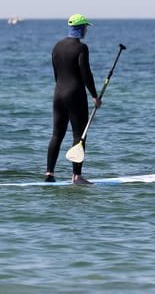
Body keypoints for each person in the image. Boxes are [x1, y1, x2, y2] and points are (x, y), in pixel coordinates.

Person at [45, 14, 101, 184]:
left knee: (57, 135)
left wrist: (62, 89)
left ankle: (49, 173)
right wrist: (94, 95)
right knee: (79, 135)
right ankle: (76, 176)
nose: (86, 30)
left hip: (58, 94)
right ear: (80, 28)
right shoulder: (81, 48)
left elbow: (56, 74)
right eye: (85, 27)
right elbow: (86, 73)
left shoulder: (57, 46)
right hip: (75, 94)